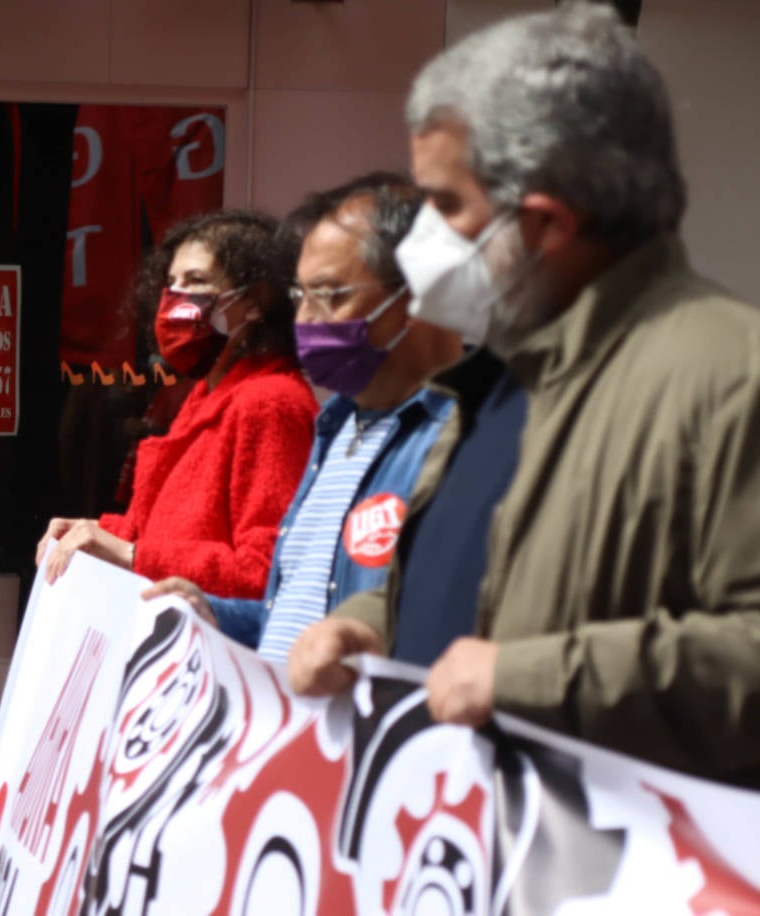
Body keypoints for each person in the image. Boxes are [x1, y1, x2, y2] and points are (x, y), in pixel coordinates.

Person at [288, 4, 760, 787]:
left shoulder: (729, 377)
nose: (418, 244)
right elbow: (477, 603)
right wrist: (369, 628)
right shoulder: (495, 385)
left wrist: (530, 680)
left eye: (444, 205)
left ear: (544, 225)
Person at [144, 175, 462, 658]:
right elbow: (293, 614)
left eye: (331, 294)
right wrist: (211, 610)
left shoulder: (459, 440)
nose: (307, 320)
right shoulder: (334, 432)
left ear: (416, 294)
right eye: (300, 297)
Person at [38, 210, 319, 598]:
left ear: (255, 303)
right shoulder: (206, 395)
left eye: (197, 281)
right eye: (171, 282)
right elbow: (159, 532)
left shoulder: (271, 401)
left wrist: (130, 552)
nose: (174, 298)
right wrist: (92, 534)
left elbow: (267, 570)